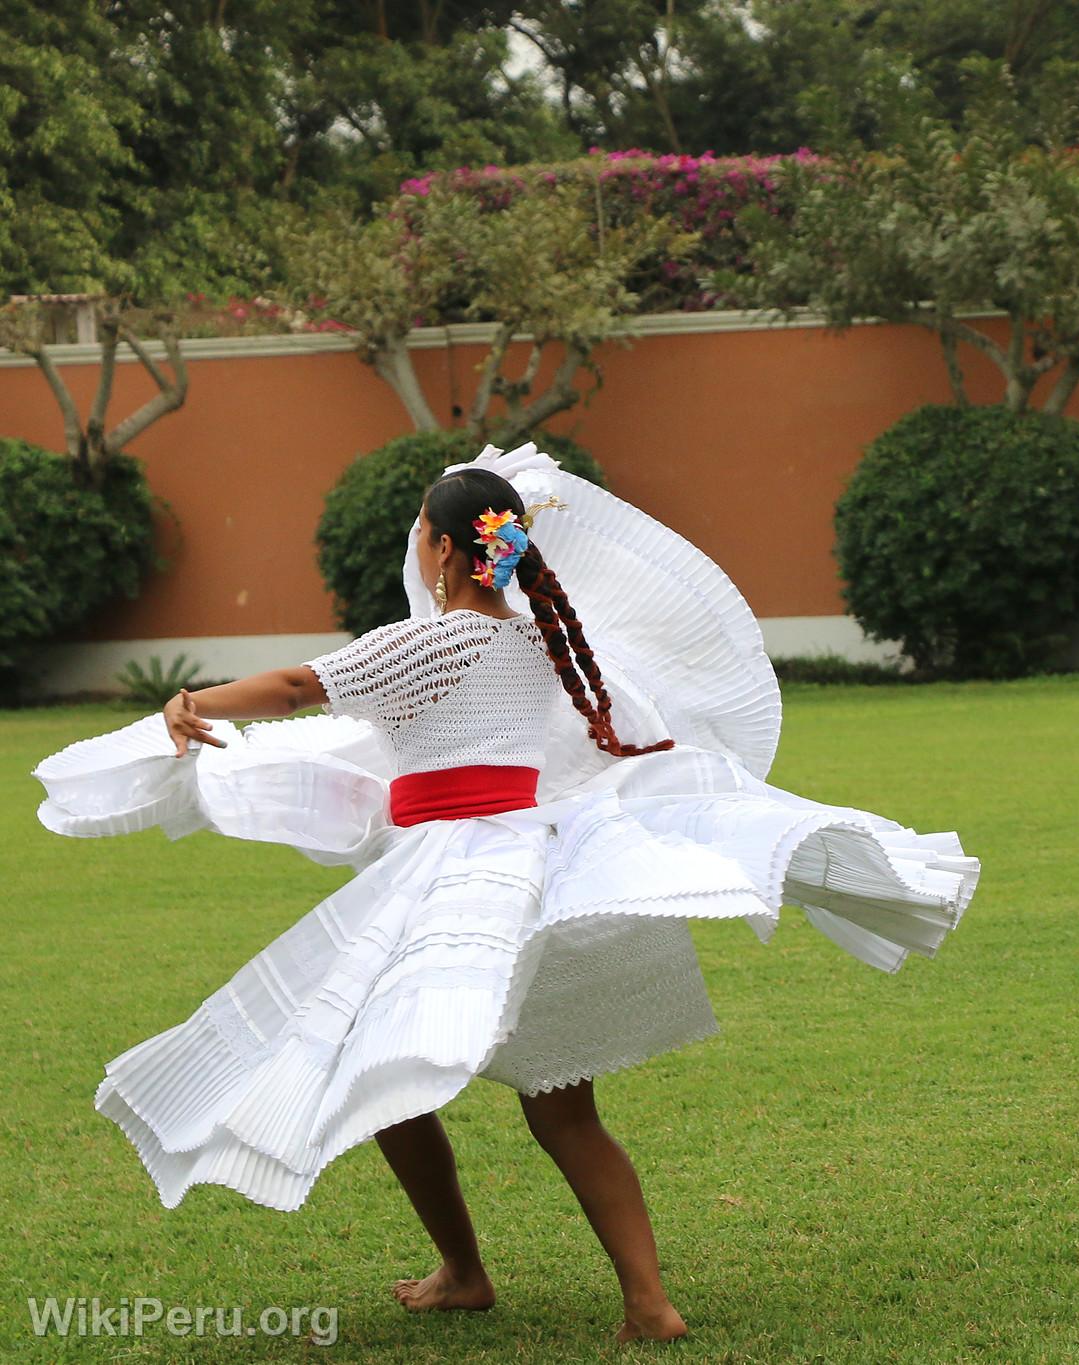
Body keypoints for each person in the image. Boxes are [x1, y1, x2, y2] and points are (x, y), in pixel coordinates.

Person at [32, 443, 980, 1345]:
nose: (414, 542)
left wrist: (192, 704)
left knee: (384, 1076)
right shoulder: (546, 646)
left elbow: (290, 686)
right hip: (536, 870)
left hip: (454, 878)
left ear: (444, 548)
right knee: (561, 1108)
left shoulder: (425, 646)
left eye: (418, 530)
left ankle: (465, 1268)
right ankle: (644, 1302)